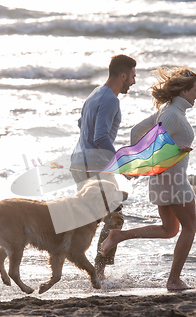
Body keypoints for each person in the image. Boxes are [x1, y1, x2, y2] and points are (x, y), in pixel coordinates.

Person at [101, 67, 196, 291]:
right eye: (195, 90)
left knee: (170, 229)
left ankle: (119, 235)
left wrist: (137, 163)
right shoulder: (172, 114)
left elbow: (137, 132)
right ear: (183, 92)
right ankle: (174, 280)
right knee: (190, 227)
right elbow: (155, 146)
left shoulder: (169, 110)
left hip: (160, 180)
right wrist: (176, 150)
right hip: (174, 180)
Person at [70, 54, 137, 280]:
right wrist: (121, 164)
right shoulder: (110, 99)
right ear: (123, 75)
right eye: (133, 77)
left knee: (91, 217)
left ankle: (73, 260)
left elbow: (81, 125)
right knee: (114, 217)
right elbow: (100, 138)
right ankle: (98, 272)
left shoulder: (94, 94)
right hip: (95, 164)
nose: (134, 82)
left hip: (78, 161)